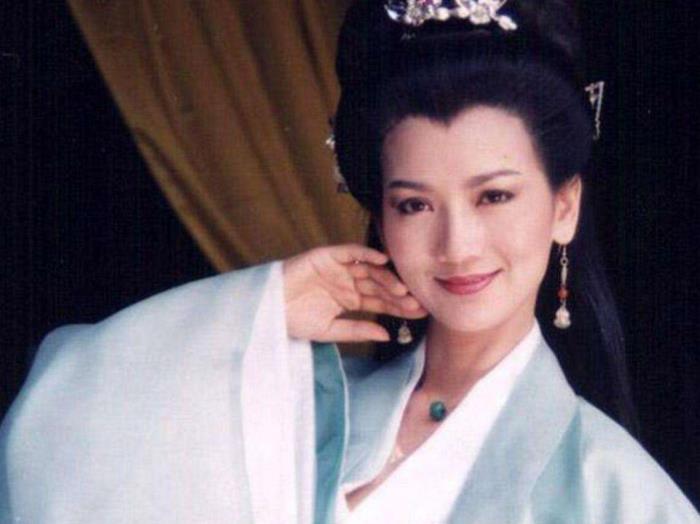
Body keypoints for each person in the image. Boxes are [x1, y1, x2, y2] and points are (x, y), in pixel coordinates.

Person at [0, 0, 697, 522]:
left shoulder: (618, 497)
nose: (457, 245)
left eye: (494, 196)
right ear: (381, 218)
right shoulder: (293, 403)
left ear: (564, 206)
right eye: (414, 204)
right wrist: (266, 306)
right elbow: (55, 433)